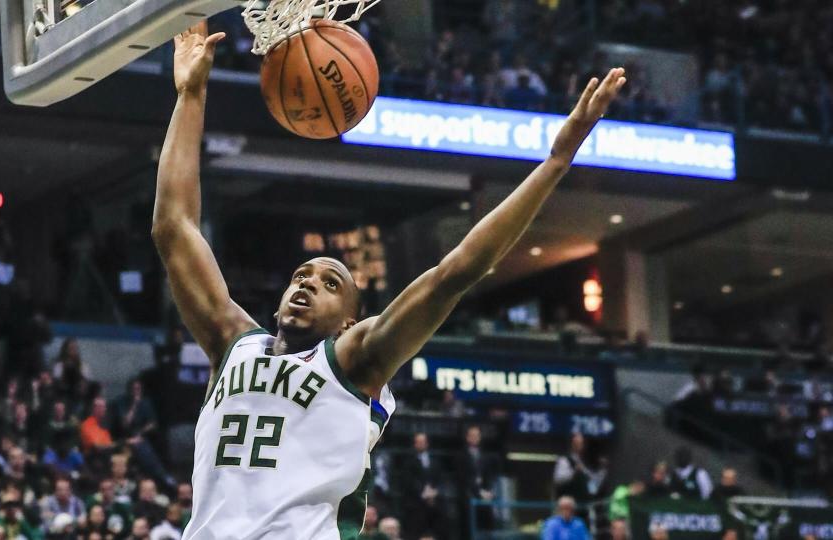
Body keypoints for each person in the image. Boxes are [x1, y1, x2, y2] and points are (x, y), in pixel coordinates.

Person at [154, 21, 626, 540]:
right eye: (301, 275)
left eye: (331, 284)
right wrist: (191, 94)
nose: (308, 283)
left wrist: (555, 162)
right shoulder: (232, 342)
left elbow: (455, 273)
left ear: (349, 321)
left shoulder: (354, 358)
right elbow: (173, 228)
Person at [399, 433, 446, 539]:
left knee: (442, 516)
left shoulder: (435, 461)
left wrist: (434, 492)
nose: (421, 444)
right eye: (418, 442)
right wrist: (423, 493)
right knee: (416, 517)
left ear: (427, 443)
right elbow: (408, 481)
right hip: (416, 501)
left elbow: (440, 480)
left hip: (434, 500)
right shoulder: (408, 461)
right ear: (415, 444)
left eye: (423, 442)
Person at [456, 425, 498, 535]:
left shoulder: (484, 456)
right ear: (467, 438)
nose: (474, 438)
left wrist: (489, 491)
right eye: (472, 436)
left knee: (487, 526)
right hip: (468, 498)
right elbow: (463, 479)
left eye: (477, 436)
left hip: (483, 499)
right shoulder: (461, 456)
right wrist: (479, 492)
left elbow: (488, 476)